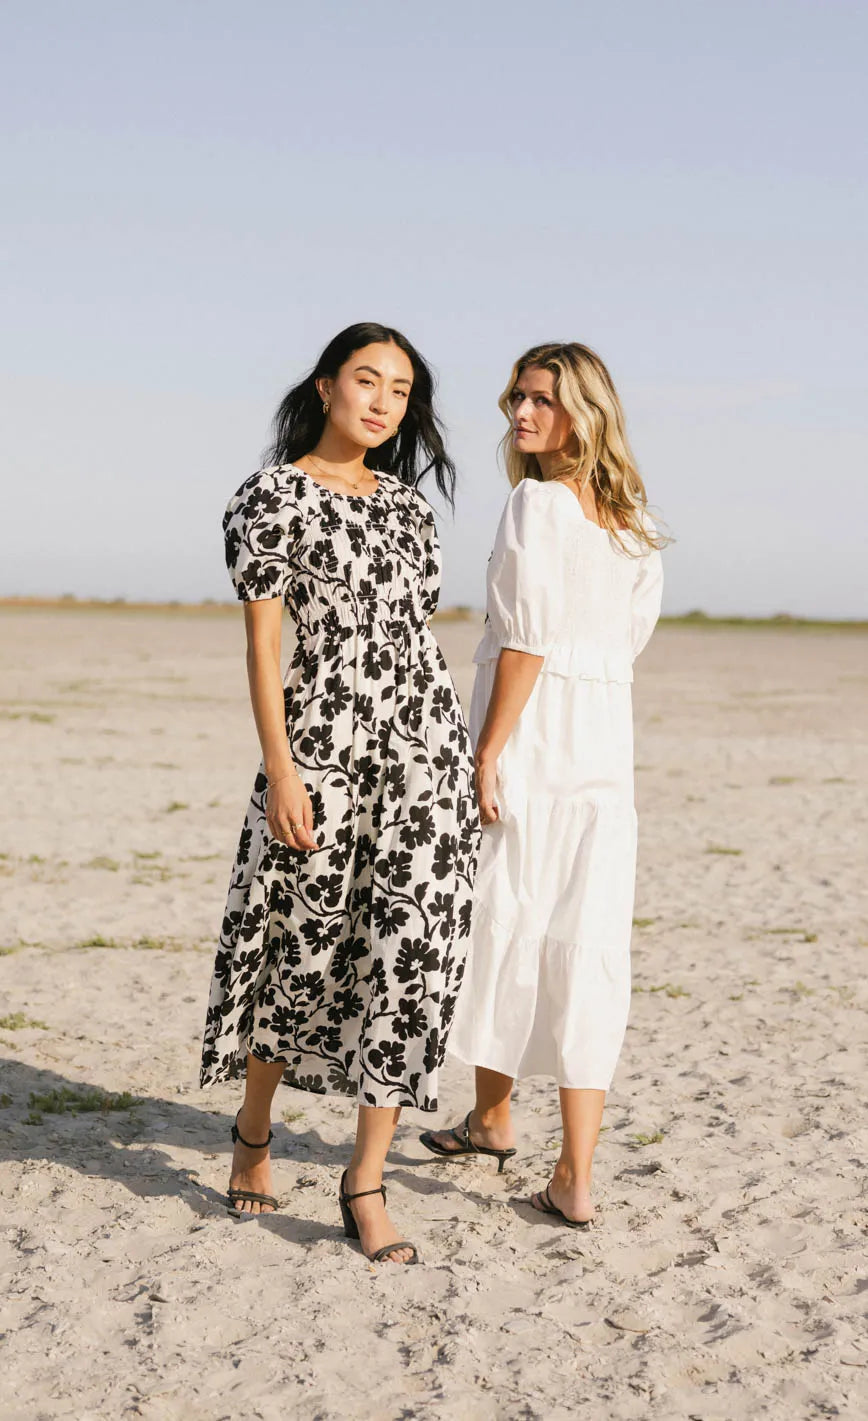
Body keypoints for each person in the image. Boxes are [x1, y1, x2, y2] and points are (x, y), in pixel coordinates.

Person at [201, 322, 480, 1265]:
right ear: (325, 386)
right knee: (302, 946)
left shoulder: (408, 508)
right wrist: (281, 768)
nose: (383, 402)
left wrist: (456, 760)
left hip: (424, 752)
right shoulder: (270, 497)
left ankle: (365, 1179)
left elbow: (412, 637)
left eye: (401, 390)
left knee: (410, 955)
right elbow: (264, 648)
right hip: (322, 747)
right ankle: (253, 1127)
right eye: (368, 380)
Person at [420, 342, 665, 1228]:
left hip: (533, 739)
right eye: (516, 398)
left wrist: (487, 750)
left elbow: (525, 640)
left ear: (583, 414)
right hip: (603, 751)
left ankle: (496, 1117)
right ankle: (567, 1169)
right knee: (584, 942)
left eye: (542, 400)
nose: (521, 414)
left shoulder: (537, 502)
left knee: (505, 919)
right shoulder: (634, 524)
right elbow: (625, 642)